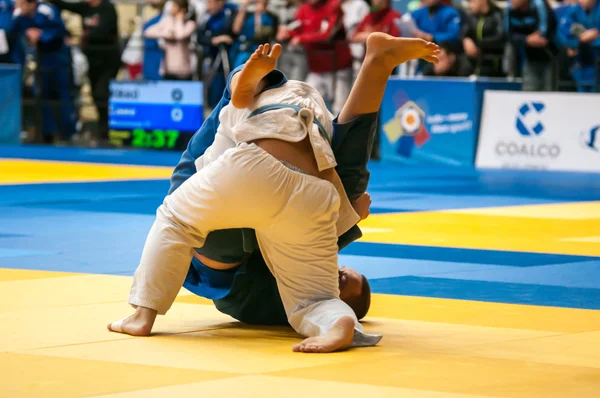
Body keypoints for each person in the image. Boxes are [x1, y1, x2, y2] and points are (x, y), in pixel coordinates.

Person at [108, 34, 440, 353]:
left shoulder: (264, 305)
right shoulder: (304, 280)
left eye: (340, 283)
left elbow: (239, 105)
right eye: (344, 274)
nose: (338, 275)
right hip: (307, 190)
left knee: (175, 215)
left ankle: (142, 314)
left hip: (254, 167)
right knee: (318, 299)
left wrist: (349, 217)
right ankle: (339, 321)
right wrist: (347, 219)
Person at [49, 0, 120, 146]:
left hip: (107, 59)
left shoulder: (107, 8)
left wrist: (78, 38)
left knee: (102, 93)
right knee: (95, 94)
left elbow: (103, 30)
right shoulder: (85, 7)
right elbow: (67, 5)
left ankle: (104, 131)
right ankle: (102, 129)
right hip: (92, 59)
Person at [11, 0, 77, 144]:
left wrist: (42, 34)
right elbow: (13, 28)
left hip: (58, 59)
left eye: (23, 4)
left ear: (32, 3)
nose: (20, 7)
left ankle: (68, 133)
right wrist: (28, 32)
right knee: (42, 95)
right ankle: (46, 133)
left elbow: (61, 30)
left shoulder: (47, 10)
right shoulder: (20, 14)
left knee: (62, 95)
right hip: (40, 61)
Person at [277, 0, 353, 115]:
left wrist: (301, 38)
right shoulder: (303, 9)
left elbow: (327, 34)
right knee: (305, 106)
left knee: (340, 111)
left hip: (338, 68)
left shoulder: (333, 6)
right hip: (316, 69)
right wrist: (287, 33)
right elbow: (297, 29)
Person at [505, 0, 558, 91]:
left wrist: (522, 39)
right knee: (530, 92)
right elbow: (507, 34)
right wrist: (526, 39)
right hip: (528, 57)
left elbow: (543, 35)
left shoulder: (539, 4)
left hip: (549, 56)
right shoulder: (510, 8)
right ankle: (510, 75)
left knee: (549, 94)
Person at [196, 0, 237, 108]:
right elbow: (200, 37)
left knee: (225, 83)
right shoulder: (205, 17)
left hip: (227, 56)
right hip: (211, 57)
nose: (208, 5)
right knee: (211, 85)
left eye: (211, 2)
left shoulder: (229, 12)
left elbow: (232, 32)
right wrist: (214, 40)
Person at [144, 0, 196, 80]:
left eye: (175, 6)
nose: (172, 8)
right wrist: (167, 35)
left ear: (182, 9)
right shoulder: (167, 21)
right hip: (168, 70)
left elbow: (180, 35)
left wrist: (179, 20)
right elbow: (148, 32)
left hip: (184, 71)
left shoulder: (190, 24)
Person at [559, 0, 600, 92]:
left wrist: (594, 40)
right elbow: (563, 35)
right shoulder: (573, 11)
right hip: (580, 65)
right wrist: (580, 41)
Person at [462, 0, 506, 77]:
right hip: (474, 64)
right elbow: (463, 33)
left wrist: (478, 44)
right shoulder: (472, 17)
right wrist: (466, 40)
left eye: (472, 2)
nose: (470, 5)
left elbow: (501, 38)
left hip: (493, 65)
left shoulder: (497, 15)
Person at [230, 0, 278, 68]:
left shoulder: (271, 17)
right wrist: (244, 7)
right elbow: (236, 29)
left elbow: (273, 35)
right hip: (245, 49)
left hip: (262, 51)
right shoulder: (248, 15)